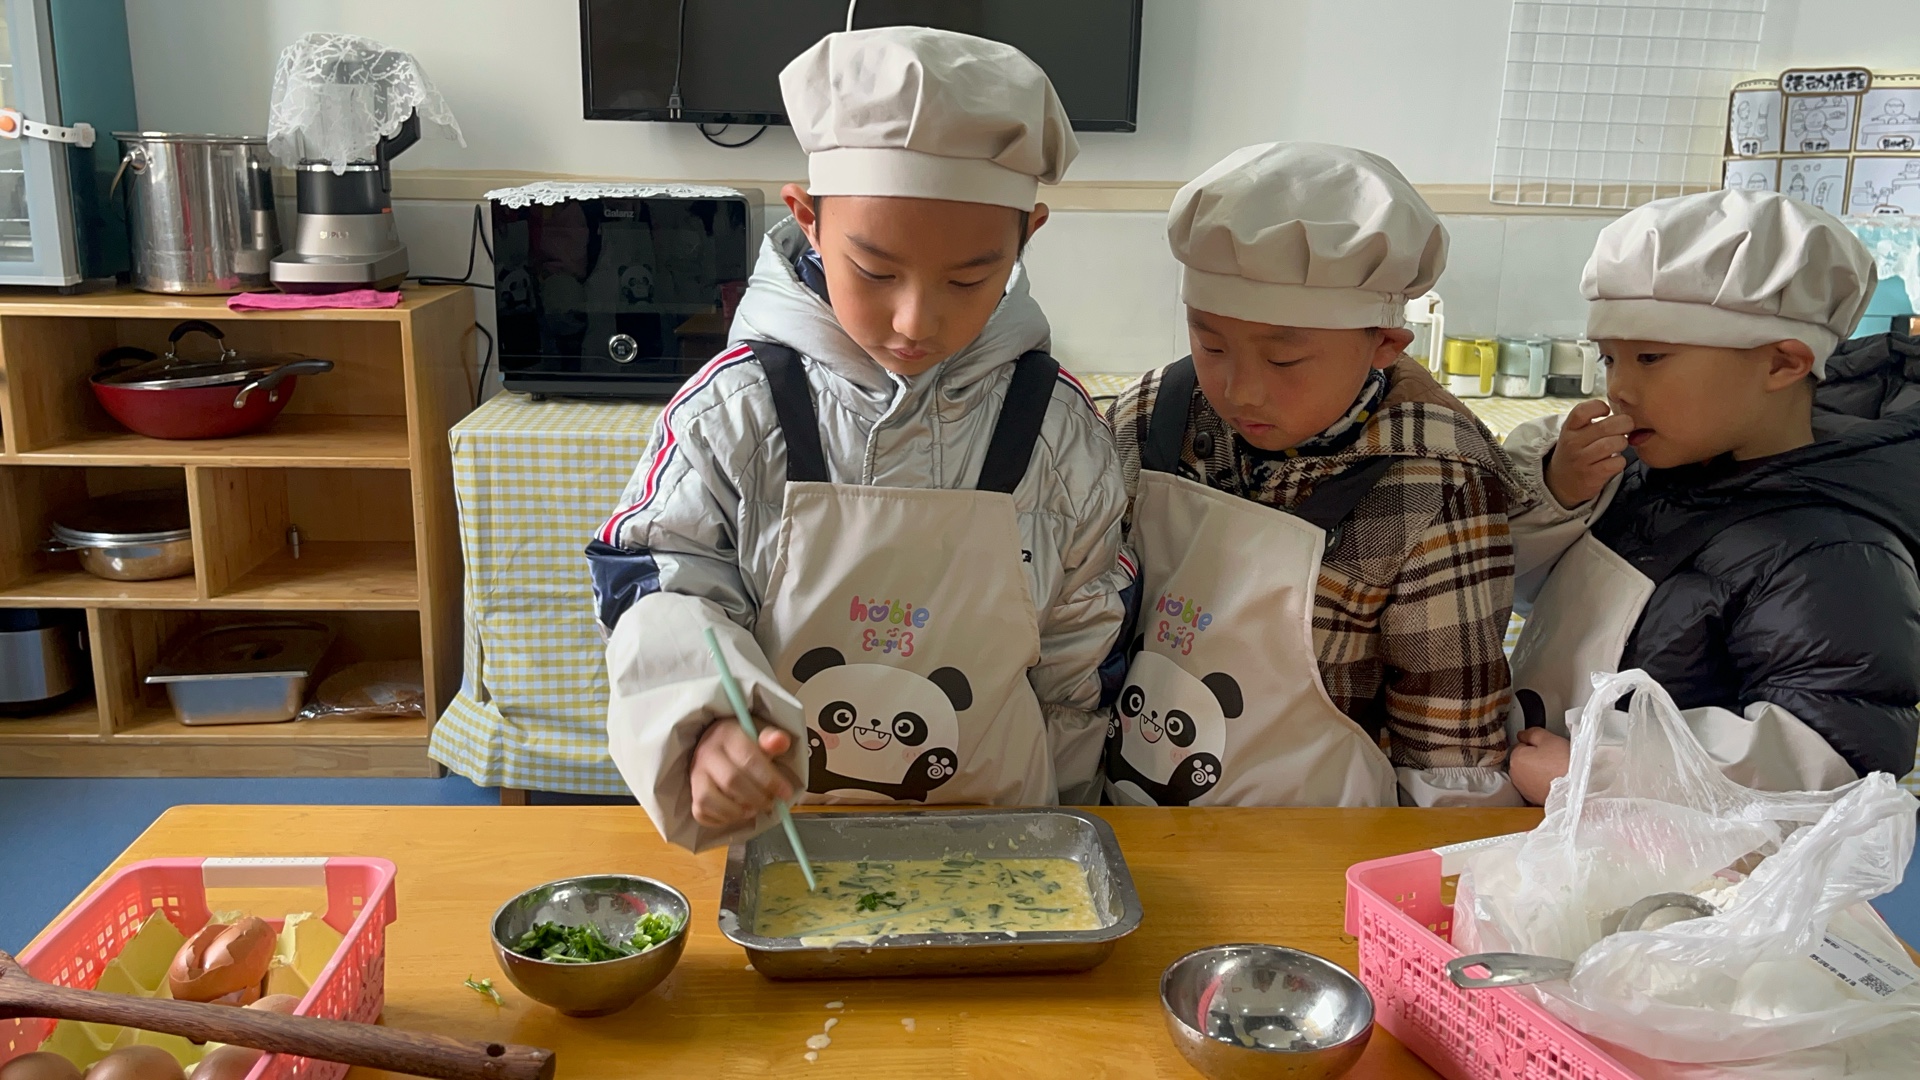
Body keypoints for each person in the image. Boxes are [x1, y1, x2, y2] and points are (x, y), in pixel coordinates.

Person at [588, 26, 1133, 851]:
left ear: (1027, 236)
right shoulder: (735, 412)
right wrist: (707, 722)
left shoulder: (1056, 431)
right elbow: (660, 580)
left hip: (1006, 836)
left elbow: (1080, 654)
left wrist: (1070, 821)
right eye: (876, 272)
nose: (916, 321)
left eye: (969, 279)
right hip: (789, 841)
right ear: (807, 219)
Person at [1104, 142, 1532, 808]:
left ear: (1384, 343)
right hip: (1125, 810)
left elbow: (1446, 752)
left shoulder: (1434, 485)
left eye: (1284, 361)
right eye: (1210, 343)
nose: (1241, 390)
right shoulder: (1152, 416)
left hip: (1320, 843)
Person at [1503, 188, 1920, 801]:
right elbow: (1521, 591)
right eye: (1609, 358)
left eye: (1650, 357)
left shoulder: (1834, 552)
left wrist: (1599, 775)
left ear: (1781, 364)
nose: (1619, 388)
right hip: (1552, 808)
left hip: (1656, 845)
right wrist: (1559, 495)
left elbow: (1822, 755)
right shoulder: (1642, 475)